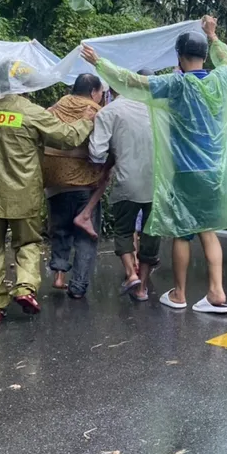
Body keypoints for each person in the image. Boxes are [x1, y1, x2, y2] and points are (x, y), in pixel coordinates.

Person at [81, 15, 227, 313]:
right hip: (216, 171)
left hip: (186, 170)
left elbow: (133, 82)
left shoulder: (176, 85)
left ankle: (179, 294)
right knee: (208, 229)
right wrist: (213, 34)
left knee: (182, 231)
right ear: (205, 57)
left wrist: (99, 64)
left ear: (179, 58)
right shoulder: (221, 78)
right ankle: (217, 292)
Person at [0, 59, 94, 321]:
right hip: (22, 193)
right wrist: (85, 120)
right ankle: (25, 288)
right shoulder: (31, 112)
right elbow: (68, 137)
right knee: (27, 242)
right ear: (25, 83)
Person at [87, 69, 160, 301]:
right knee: (151, 234)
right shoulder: (161, 111)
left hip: (126, 181)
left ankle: (130, 273)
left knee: (123, 230)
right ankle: (142, 289)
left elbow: (97, 153)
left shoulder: (110, 112)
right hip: (157, 183)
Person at [41, 73, 105, 299]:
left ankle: (59, 275)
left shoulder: (54, 107)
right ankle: (77, 286)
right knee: (86, 236)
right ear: (93, 92)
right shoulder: (96, 112)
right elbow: (100, 149)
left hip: (53, 182)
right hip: (83, 183)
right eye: (100, 93)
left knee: (60, 230)